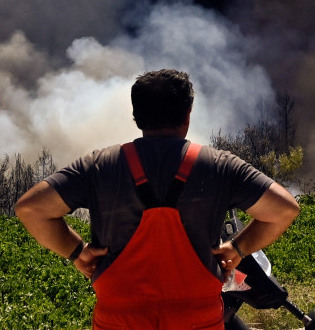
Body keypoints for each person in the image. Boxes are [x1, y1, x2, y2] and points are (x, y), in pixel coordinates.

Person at [16, 68, 300, 330]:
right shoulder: (220, 166)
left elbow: (31, 208)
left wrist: (77, 252)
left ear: (136, 116)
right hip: (198, 320)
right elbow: (283, 209)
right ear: (188, 115)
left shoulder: (99, 165)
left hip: (119, 321)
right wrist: (238, 248)